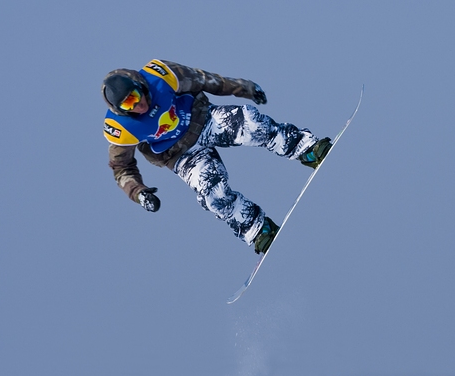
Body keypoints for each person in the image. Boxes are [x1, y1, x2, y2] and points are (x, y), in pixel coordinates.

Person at [102, 59, 332, 255]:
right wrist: (139, 193)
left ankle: (306, 149)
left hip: (203, 120)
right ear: (121, 109)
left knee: (251, 124)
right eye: (129, 104)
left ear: (138, 85)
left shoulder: (160, 75)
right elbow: (122, 168)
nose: (139, 105)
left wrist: (245, 88)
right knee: (211, 194)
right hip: (182, 155)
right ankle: (256, 228)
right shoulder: (120, 128)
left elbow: (206, 80)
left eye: (135, 96)